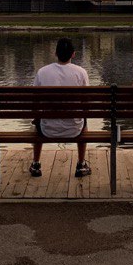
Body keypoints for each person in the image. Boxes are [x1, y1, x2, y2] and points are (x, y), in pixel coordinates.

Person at [30, 38, 91, 179]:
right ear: (73, 54)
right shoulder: (81, 73)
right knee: (84, 119)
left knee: (38, 120)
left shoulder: (42, 72)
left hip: (47, 128)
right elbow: (86, 102)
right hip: (74, 129)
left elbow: (35, 101)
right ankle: (81, 164)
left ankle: (36, 164)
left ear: (55, 53)